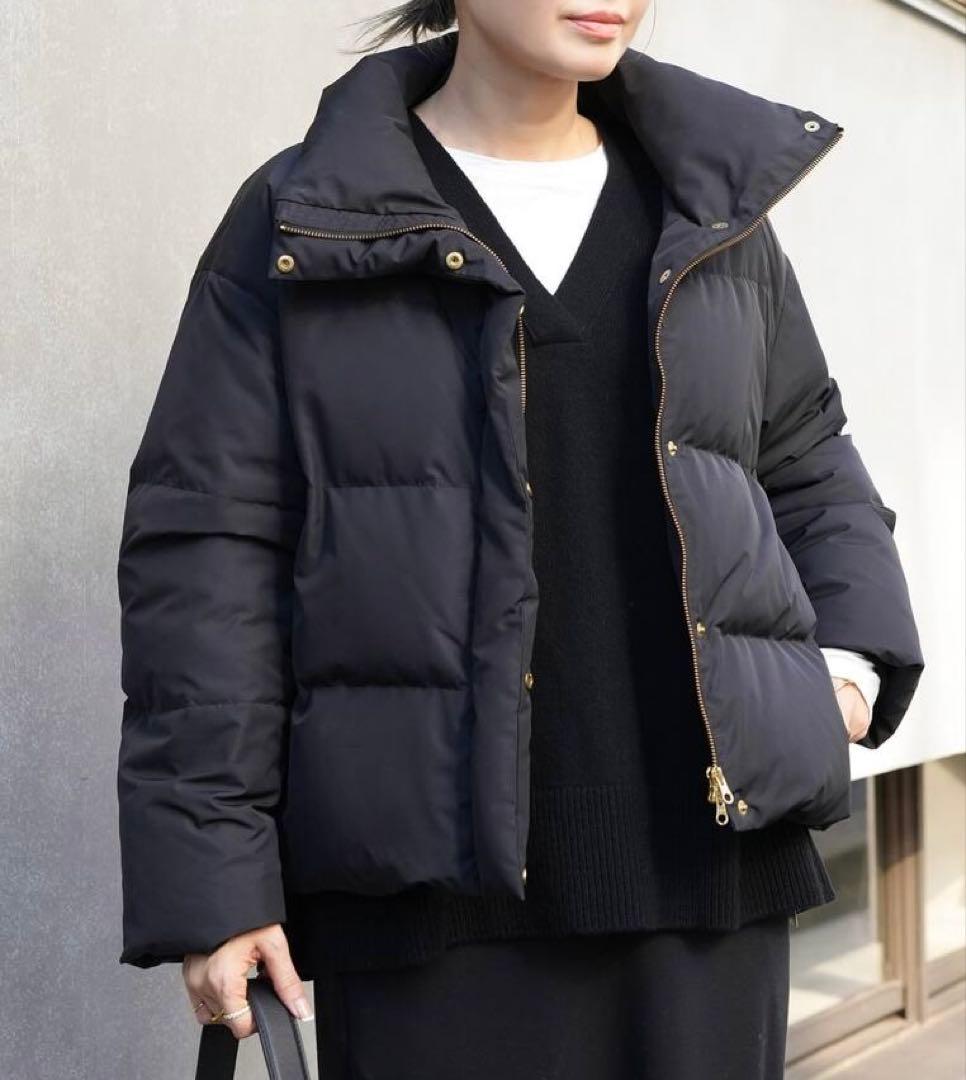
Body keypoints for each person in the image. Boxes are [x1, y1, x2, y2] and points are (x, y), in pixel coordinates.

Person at [115, 4, 925, 1078]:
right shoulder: (308, 215)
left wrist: (847, 673)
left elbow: (808, 458)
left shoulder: (709, 207)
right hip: (426, 911)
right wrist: (218, 882)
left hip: (709, 881)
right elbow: (209, 549)